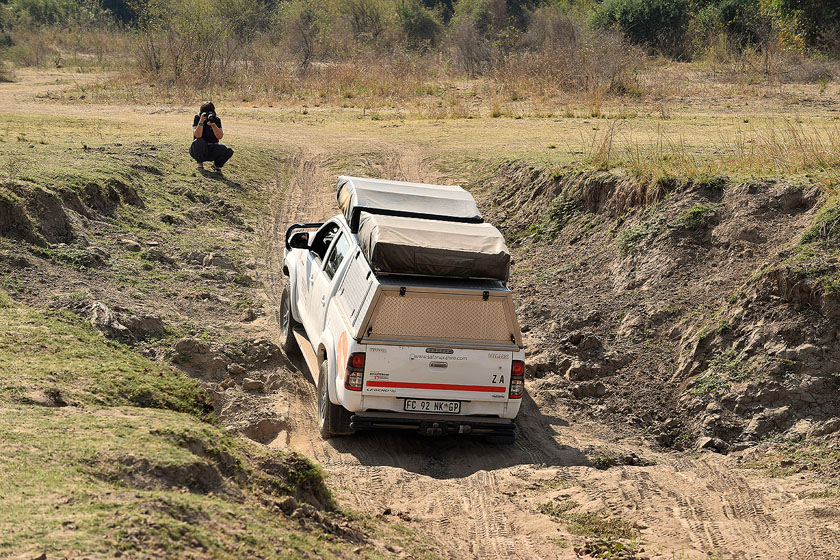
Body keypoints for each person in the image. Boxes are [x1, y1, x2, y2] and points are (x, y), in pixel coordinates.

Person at [190, 102, 234, 173]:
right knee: (199, 141)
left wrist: (213, 125)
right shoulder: (198, 118)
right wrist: (201, 122)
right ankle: (200, 165)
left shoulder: (216, 120)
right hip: (198, 149)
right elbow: (197, 135)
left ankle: (217, 166)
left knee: (228, 150)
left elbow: (220, 136)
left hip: (212, 149)